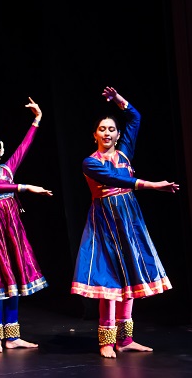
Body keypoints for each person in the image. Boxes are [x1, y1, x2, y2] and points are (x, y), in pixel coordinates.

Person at [71, 86, 178, 358]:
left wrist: (121, 101)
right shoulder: (90, 162)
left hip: (129, 220)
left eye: (111, 129)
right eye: (102, 129)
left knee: (130, 275)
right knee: (109, 280)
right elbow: (115, 179)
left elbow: (136, 118)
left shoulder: (125, 153)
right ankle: (107, 339)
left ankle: (126, 339)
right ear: (94, 134)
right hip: (105, 222)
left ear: (118, 136)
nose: (107, 133)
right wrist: (151, 185)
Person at [0, 97, 52, 353]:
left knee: (14, 277)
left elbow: (25, 147)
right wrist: (26, 187)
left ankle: (13, 336)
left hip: (11, 228)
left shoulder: (7, 169)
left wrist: (37, 120)